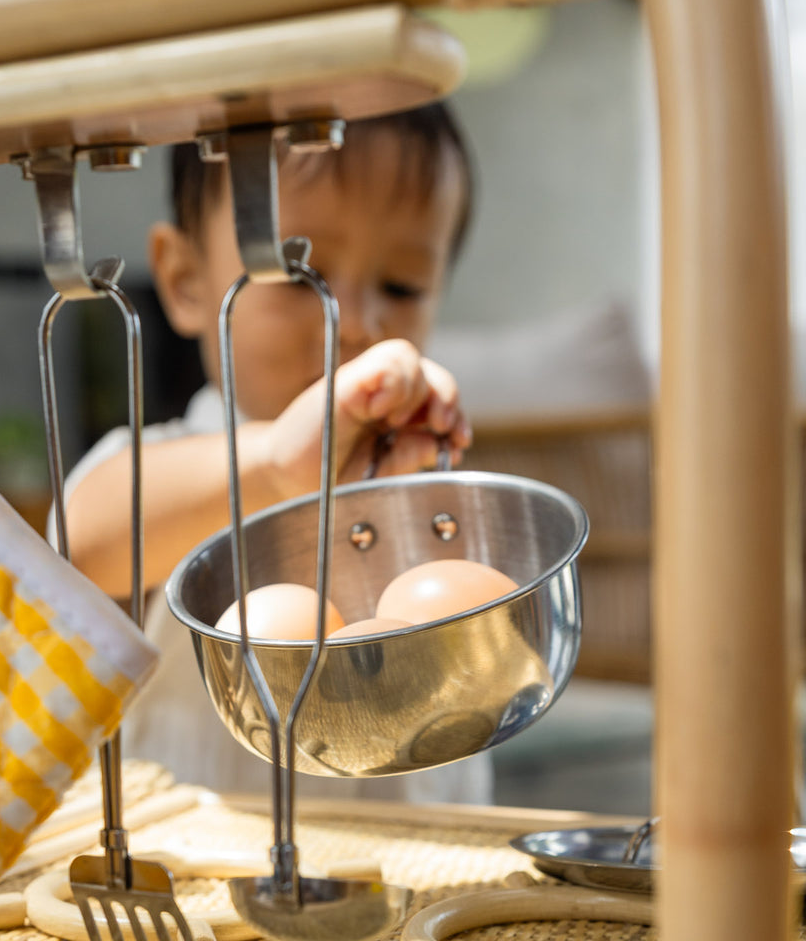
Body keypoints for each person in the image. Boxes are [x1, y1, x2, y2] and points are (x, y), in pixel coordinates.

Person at [63, 103, 493, 803]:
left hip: (421, 878)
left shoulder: (426, 483)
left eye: (402, 286)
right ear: (186, 280)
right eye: (301, 273)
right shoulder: (174, 465)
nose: (354, 319)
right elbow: (82, 540)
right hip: (193, 881)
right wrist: (277, 465)